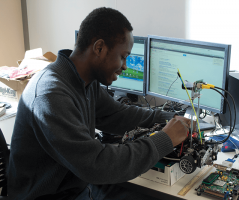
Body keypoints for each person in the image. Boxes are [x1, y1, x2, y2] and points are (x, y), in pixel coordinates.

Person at [7, 7, 190, 200]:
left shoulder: (84, 81)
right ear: (99, 48)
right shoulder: (50, 94)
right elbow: (97, 165)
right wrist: (164, 139)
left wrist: (171, 119)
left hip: (75, 186)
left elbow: (118, 115)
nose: (125, 66)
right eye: (123, 56)